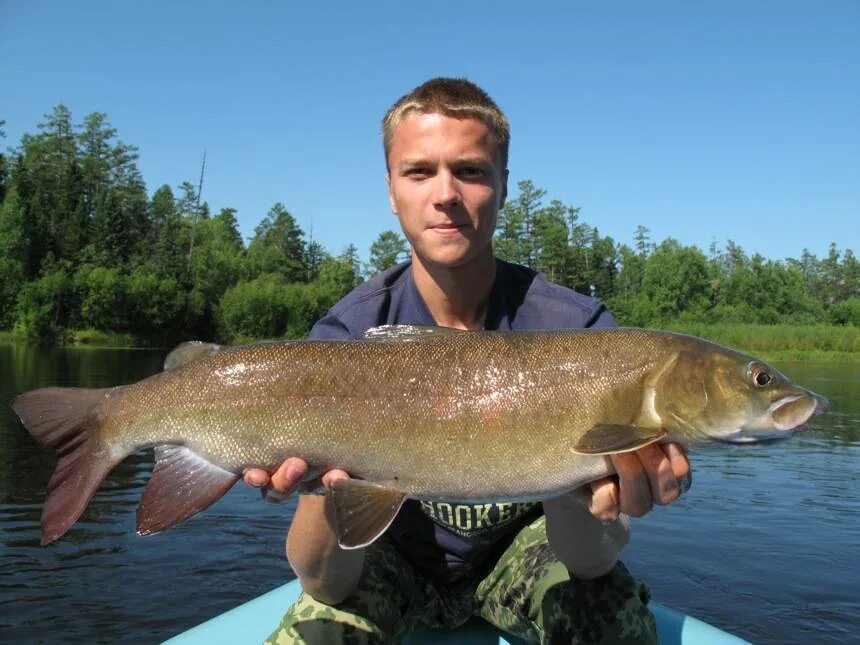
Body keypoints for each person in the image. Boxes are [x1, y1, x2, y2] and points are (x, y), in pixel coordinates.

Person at [244, 77, 691, 644]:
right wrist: (317, 488)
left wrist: (588, 491)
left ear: (504, 187)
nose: (445, 193)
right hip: (393, 555)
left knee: (615, 624)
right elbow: (324, 584)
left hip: (524, 557)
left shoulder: (583, 337)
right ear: (390, 190)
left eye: (472, 170)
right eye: (419, 171)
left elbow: (590, 565)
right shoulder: (348, 337)